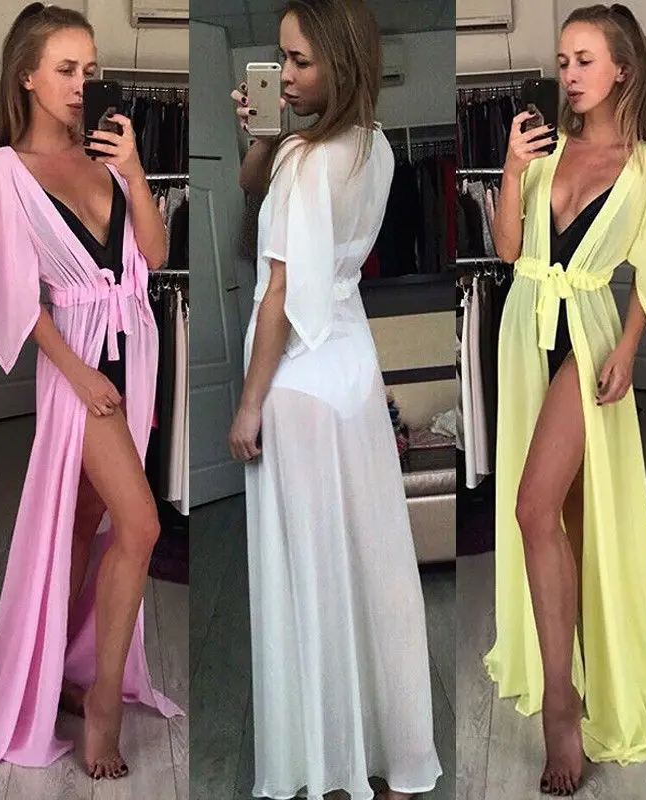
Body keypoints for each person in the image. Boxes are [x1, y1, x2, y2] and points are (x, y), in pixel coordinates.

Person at [0, 3, 183, 782]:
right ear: (27, 77)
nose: (81, 84)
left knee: (85, 521)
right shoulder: (3, 171)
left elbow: (155, 256)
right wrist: (77, 372)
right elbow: (13, 295)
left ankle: (55, 675)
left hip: (137, 349)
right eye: (66, 69)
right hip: (80, 362)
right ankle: (101, 702)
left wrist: (135, 172)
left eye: (89, 70)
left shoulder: (107, 156)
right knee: (141, 525)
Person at [485, 3, 646, 795]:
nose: (570, 74)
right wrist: (510, 171)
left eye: (585, 60)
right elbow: (508, 250)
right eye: (563, 61)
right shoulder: (544, 153)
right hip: (523, 330)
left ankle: (563, 704)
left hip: (583, 337)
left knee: (531, 507)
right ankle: (571, 661)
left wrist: (627, 348)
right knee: (563, 516)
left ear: (622, 68)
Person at [226, 2, 442, 799]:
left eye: (301, 61)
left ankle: (328, 764)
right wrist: (262, 138)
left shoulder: (306, 160)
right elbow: (260, 189)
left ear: (342, 64)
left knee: (309, 585)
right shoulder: (374, 148)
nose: (284, 75)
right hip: (353, 369)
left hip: (296, 384)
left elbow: (278, 289)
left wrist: (248, 404)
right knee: (372, 567)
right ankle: (391, 757)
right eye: (281, 58)